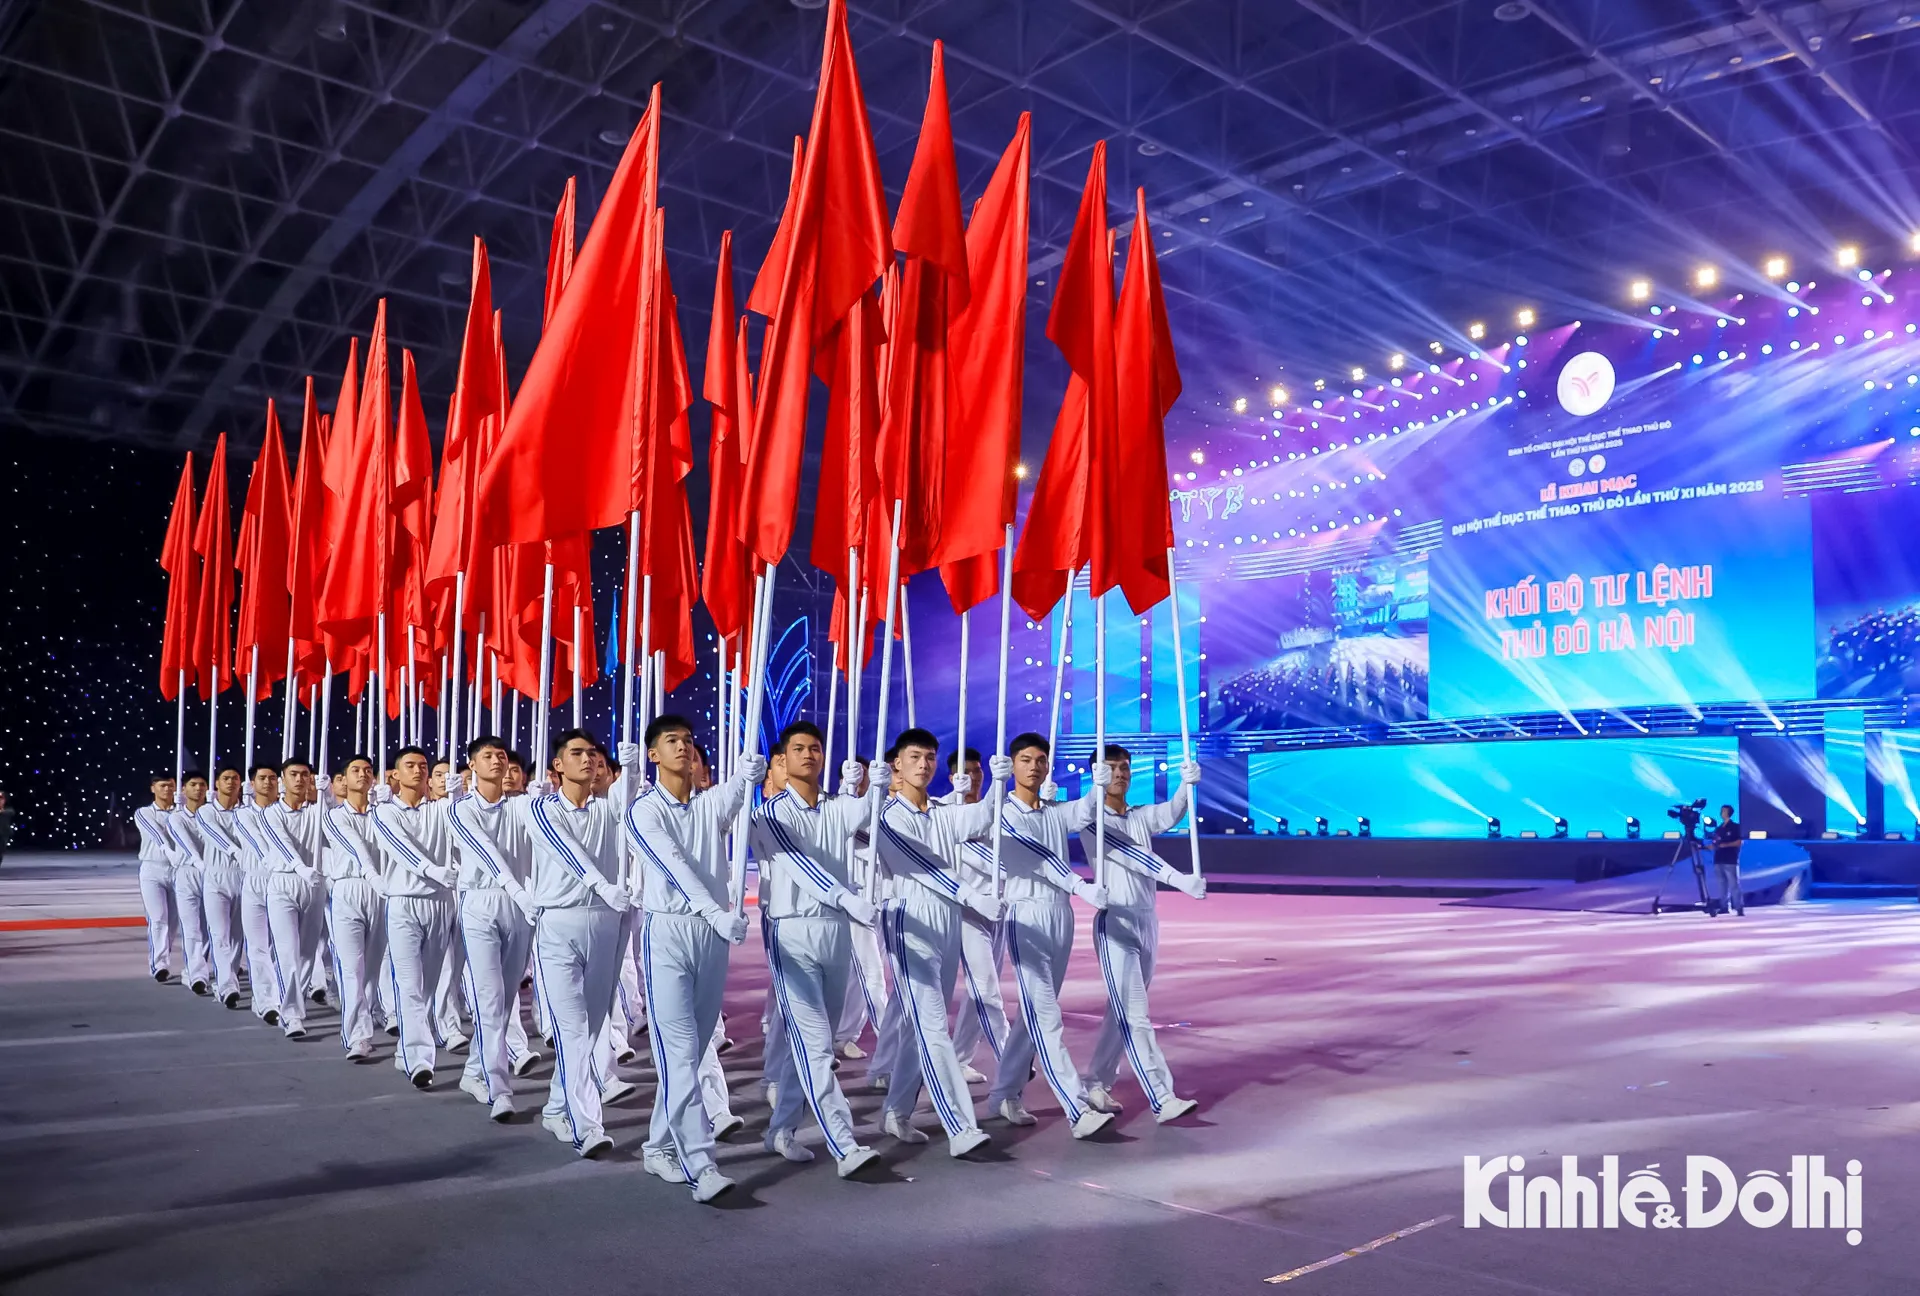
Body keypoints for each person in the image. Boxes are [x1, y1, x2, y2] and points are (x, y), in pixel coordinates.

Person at [626, 713, 764, 1204]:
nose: (683, 747)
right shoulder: (643, 811)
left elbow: (738, 794)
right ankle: (700, 1164)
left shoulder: (708, 804)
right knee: (681, 1054)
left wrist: (750, 771)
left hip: (712, 938)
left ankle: (658, 1146)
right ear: (653, 755)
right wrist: (715, 911)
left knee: (694, 1050)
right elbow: (674, 866)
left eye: (688, 740)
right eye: (671, 741)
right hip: (669, 933)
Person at [750, 721, 884, 1176]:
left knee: (811, 1044)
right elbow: (798, 864)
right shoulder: (770, 814)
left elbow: (870, 818)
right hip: (792, 933)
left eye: (815, 748)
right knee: (817, 1046)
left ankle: (781, 1130)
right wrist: (845, 897)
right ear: (782, 759)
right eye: (799, 749)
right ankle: (844, 1144)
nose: (808, 755)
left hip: (835, 932)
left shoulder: (836, 808)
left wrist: (876, 788)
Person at [873, 727, 1007, 1157]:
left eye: (930, 757)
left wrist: (998, 782)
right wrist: (972, 896)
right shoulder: (887, 815)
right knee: (934, 1026)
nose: (924, 764)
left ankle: (896, 1111)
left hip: (946, 922)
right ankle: (960, 1126)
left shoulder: (943, 813)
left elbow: (983, 817)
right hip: (909, 921)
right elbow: (925, 865)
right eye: (915, 757)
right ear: (897, 764)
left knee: (921, 1026)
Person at [983, 734, 1113, 1138]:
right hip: (1026, 916)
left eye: (1041, 760)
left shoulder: (1055, 811)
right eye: (1026, 760)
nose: (1034, 767)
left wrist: (1098, 785)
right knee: (1046, 1017)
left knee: (1033, 1015)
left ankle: (1004, 1093)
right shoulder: (1003, 813)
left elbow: (1086, 811)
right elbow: (1038, 858)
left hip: (1060, 915)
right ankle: (1077, 1108)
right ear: (1012, 765)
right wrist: (1080, 885)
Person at [521, 728, 635, 1160]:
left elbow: (632, 802)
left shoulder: (608, 810)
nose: (588, 759)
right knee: (572, 1028)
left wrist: (633, 768)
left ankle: (556, 1107)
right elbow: (567, 851)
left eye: (593, 753)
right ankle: (587, 1125)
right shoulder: (540, 808)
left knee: (590, 1029)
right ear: (557, 765)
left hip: (605, 924)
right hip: (559, 924)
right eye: (577, 753)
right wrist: (601, 886)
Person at [1079, 744, 1204, 1123]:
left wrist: (1185, 786)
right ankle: (1162, 1097)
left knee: (1121, 1011)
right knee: (1136, 1013)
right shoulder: (1091, 820)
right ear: (1097, 774)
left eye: (1124, 767)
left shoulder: (1138, 815)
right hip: (1114, 923)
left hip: (1147, 921)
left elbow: (1170, 813)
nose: (1120, 773)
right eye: (1111, 768)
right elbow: (1136, 855)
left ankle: (1096, 1082)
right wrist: (1178, 879)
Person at [446, 735, 539, 1122]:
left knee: (504, 1001)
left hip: (519, 908)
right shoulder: (459, 809)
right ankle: (498, 1088)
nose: (498, 761)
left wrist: (544, 801)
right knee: (489, 995)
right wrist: (518, 890)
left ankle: (474, 1070)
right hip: (480, 902)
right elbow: (485, 852)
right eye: (488, 756)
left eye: (502, 756)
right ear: (472, 765)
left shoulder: (521, 805)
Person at [370, 746, 460, 1089]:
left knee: (428, 987)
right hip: (404, 903)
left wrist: (459, 797)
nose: (419, 770)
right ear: (395, 774)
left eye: (423, 765)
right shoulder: (384, 812)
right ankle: (419, 1059)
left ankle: (405, 1049)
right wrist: (433, 870)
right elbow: (401, 850)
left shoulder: (441, 809)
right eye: (410, 765)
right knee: (409, 985)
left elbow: (463, 830)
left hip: (440, 904)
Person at [941, 747, 1005, 1086]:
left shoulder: (999, 810)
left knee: (978, 992)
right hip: (965, 912)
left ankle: (959, 1058)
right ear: (952, 776)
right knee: (987, 988)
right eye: (966, 772)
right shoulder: (944, 810)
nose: (974, 777)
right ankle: (1011, 1059)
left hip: (999, 913)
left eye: (978, 771)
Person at [322, 755, 390, 1061]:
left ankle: (371, 1014)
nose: (363, 774)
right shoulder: (334, 816)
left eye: (368, 770)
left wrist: (389, 807)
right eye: (355, 770)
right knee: (352, 967)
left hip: (381, 892)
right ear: (344, 779)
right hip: (348, 890)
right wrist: (371, 875)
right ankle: (358, 1036)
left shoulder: (382, 814)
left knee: (374, 968)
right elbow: (355, 847)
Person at [258, 759, 328, 1038]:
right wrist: (301, 868)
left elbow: (335, 829)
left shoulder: (318, 811)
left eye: (305, 775)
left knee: (308, 953)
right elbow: (282, 844)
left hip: (314, 885)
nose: (299, 779)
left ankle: (296, 1005)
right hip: (284, 883)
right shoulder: (270, 813)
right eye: (293, 775)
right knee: (287, 952)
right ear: (282, 780)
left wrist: (328, 797)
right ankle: (291, 1015)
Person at [193, 766, 251, 1010]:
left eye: (235, 778)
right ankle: (227, 986)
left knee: (237, 935)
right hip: (216, 878)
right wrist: (235, 851)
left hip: (242, 877)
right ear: (216, 783)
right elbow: (214, 834)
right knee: (220, 934)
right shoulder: (205, 811)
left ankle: (231, 977)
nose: (231, 782)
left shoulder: (246, 812)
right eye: (226, 778)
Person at [236, 763, 287, 1025]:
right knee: (257, 946)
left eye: (273, 778)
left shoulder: (285, 812)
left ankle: (278, 996)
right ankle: (265, 1001)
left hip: (281, 882)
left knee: (280, 947)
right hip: (256, 880)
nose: (268, 782)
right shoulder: (243, 815)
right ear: (252, 784)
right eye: (262, 778)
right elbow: (258, 842)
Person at [167, 771, 215, 995]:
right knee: (191, 927)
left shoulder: (211, 815)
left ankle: (197, 968)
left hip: (211, 874)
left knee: (208, 928)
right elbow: (187, 845)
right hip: (188, 874)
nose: (198, 788)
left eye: (202, 784)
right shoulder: (176, 818)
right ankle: (196, 974)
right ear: (184, 790)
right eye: (193, 784)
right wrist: (198, 861)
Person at [133, 776, 182, 983]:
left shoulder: (180, 812)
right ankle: (159, 964)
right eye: (162, 786)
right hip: (153, 870)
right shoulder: (144, 813)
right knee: (158, 918)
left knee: (173, 922)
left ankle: (164, 956)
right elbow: (156, 834)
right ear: (153, 788)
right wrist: (169, 850)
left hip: (178, 871)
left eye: (171, 786)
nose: (167, 789)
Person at [1712, 804, 1745, 917]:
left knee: (1733, 884)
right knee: (1722, 885)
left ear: (1729, 813)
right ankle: (1724, 907)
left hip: (1730, 860)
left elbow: (1739, 842)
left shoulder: (1735, 827)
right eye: (1721, 811)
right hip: (1718, 859)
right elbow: (1715, 844)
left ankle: (1739, 907)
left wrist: (1726, 845)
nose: (1722, 813)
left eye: (1724, 811)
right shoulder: (1719, 828)